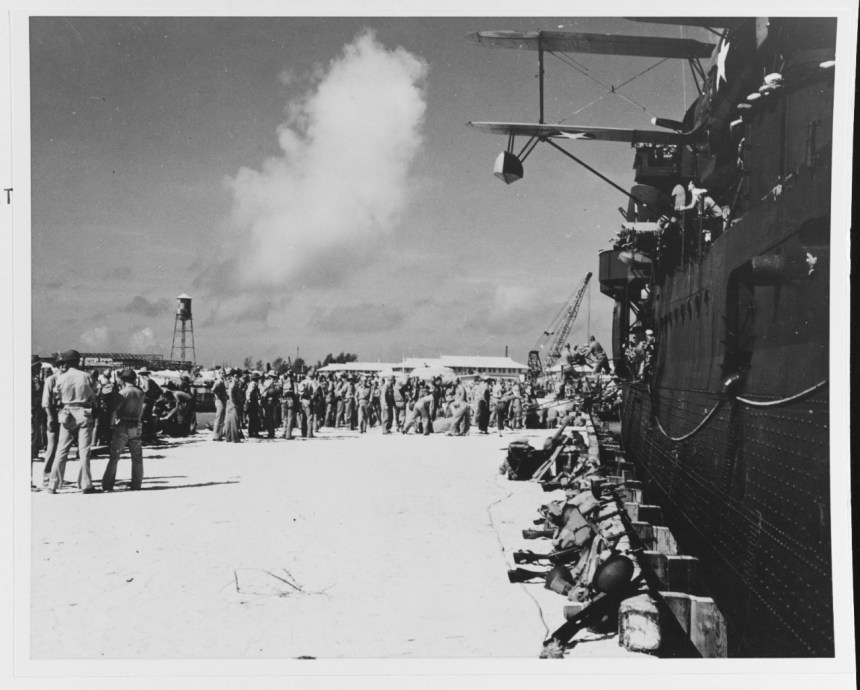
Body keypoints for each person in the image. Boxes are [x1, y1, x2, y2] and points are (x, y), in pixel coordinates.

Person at [46, 350, 97, 494]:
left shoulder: (61, 378)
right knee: (84, 450)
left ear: (66, 362)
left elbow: (57, 397)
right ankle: (86, 484)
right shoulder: (87, 376)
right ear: (78, 361)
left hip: (67, 413)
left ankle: (53, 484)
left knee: (61, 450)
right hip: (84, 412)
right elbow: (94, 395)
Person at [101, 368, 144, 492]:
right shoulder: (140, 392)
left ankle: (107, 484)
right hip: (136, 425)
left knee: (114, 456)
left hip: (123, 425)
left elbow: (115, 409)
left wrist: (111, 424)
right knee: (137, 456)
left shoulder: (122, 393)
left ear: (123, 380)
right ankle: (137, 483)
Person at [40, 361, 60, 489]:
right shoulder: (51, 380)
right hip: (53, 414)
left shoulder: (66, 378)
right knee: (52, 447)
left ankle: (56, 476)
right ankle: (47, 476)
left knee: (61, 449)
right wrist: (51, 418)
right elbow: (46, 402)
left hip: (64, 416)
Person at [137, 367, 163, 444]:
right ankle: (151, 437)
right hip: (150, 402)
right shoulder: (151, 380)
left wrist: (140, 391)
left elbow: (147, 390)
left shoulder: (147, 380)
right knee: (149, 420)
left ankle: (141, 438)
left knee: (141, 419)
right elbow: (160, 390)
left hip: (146, 402)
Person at [223, 372, 244, 443]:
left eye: (237, 376)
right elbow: (231, 393)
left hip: (231, 403)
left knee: (229, 421)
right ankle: (235, 438)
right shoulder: (233, 384)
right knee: (234, 421)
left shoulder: (233, 384)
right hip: (233, 404)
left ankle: (228, 437)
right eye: (235, 376)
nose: (237, 378)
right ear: (232, 377)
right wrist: (233, 402)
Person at [298, 369, 318, 438]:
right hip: (308, 400)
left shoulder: (302, 382)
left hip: (302, 400)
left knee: (303, 418)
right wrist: (313, 397)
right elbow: (316, 391)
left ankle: (303, 433)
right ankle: (309, 433)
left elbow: (299, 391)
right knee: (309, 418)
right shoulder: (312, 382)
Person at [211, 368, 228, 441]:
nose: (224, 374)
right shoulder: (219, 381)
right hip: (220, 401)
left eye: (224, 373)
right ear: (219, 374)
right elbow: (213, 389)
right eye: (222, 373)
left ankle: (219, 434)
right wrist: (218, 396)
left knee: (221, 418)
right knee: (219, 418)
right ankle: (216, 435)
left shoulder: (222, 381)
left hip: (222, 400)